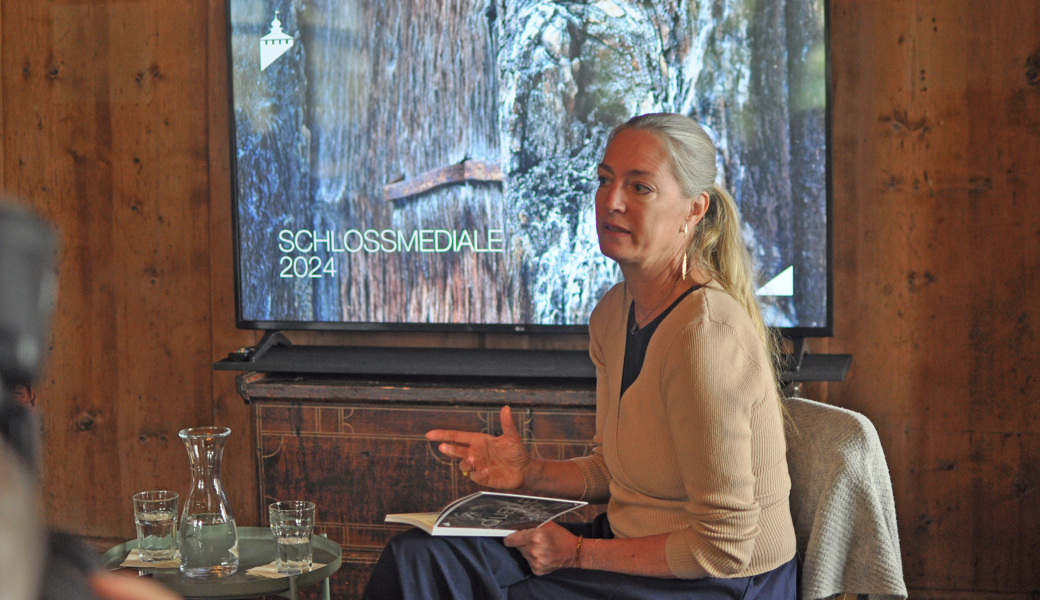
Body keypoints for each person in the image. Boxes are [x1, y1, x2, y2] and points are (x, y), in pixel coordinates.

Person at [362, 113, 797, 600]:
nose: (611, 201)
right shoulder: (614, 314)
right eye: (605, 180)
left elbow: (726, 548)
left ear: (695, 210)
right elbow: (616, 471)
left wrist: (577, 555)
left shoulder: (707, 334)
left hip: (719, 581)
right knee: (417, 556)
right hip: (637, 547)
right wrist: (529, 473)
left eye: (641, 188)